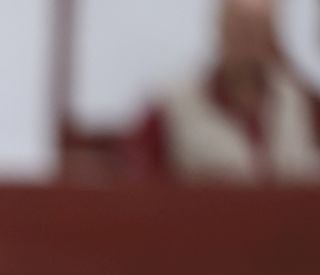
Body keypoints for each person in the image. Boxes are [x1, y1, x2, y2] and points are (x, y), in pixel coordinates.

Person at [130, 0, 319, 184]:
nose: (248, 42)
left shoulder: (303, 104)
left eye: (258, 30)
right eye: (241, 29)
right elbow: (138, 181)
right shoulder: (171, 105)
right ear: (220, 28)